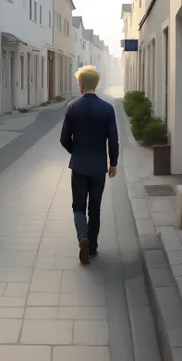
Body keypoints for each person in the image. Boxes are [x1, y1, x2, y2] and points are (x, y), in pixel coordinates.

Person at [60, 65, 119, 265]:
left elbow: (64, 138)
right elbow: (113, 139)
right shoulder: (107, 108)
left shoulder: (72, 107)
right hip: (98, 168)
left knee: (78, 207)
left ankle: (82, 237)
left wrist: (75, 151)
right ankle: (92, 247)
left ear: (81, 84)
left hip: (78, 166)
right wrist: (113, 163)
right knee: (95, 208)